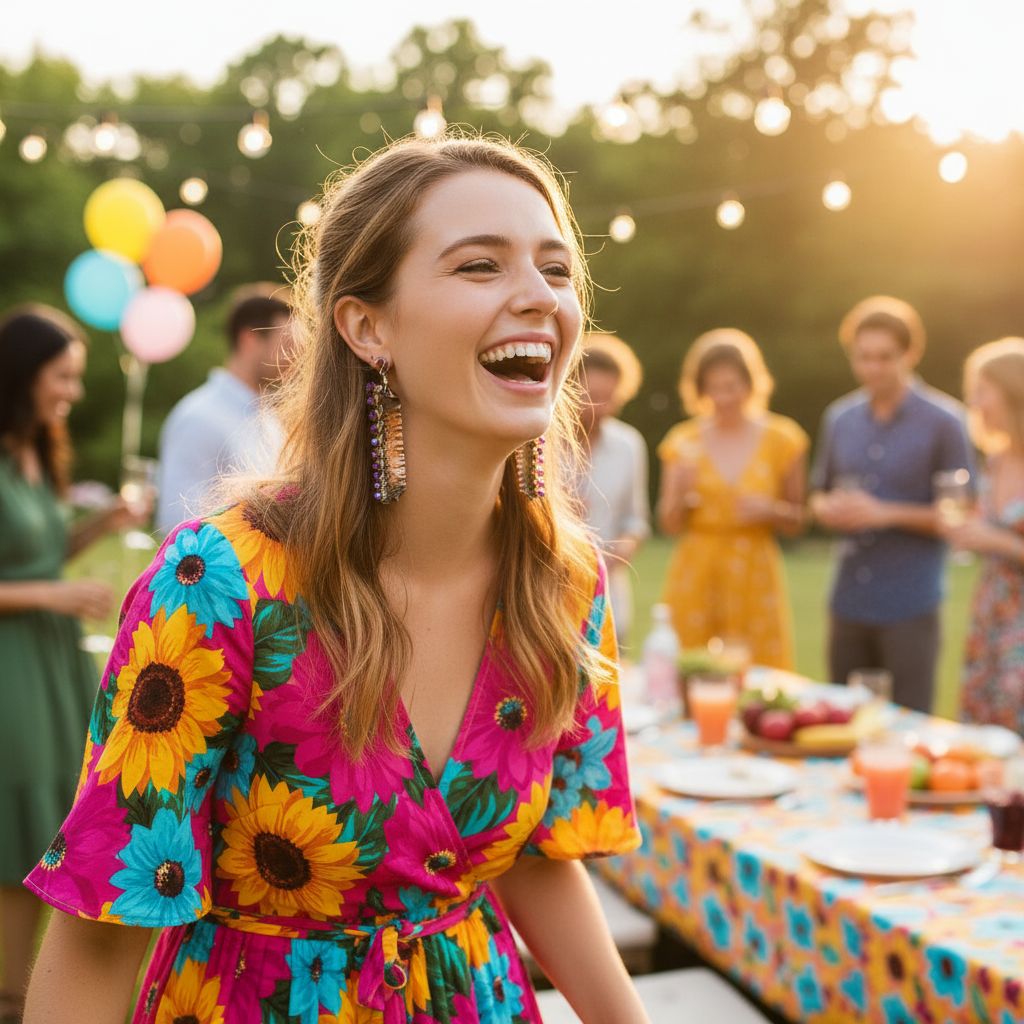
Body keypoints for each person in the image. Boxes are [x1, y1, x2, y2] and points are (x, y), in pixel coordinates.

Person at [24, 135, 649, 1024]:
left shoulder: (567, 581)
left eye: (556, 269)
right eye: (480, 265)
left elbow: (539, 855)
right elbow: (99, 934)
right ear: (367, 327)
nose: (538, 298)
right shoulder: (218, 584)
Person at [0, 305, 146, 1024]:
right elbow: (32, 577)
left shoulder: (37, 451)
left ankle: (32, 992)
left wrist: (103, 527)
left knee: (56, 814)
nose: (72, 392)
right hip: (10, 669)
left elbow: (36, 553)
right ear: (22, 375)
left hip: (52, 666)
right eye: (62, 377)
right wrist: (52, 595)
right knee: (13, 815)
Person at [810, 296, 974, 712]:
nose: (873, 369)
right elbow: (819, 493)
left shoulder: (945, 422)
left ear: (910, 353)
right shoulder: (840, 419)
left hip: (911, 603)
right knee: (842, 721)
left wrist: (886, 513)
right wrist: (828, 509)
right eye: (863, 358)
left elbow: (964, 514)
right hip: (848, 599)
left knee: (908, 724)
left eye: (884, 357)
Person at [656, 328, 808, 669]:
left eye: (732, 387)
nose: (723, 398)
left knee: (759, 672)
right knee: (692, 668)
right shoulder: (682, 441)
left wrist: (771, 510)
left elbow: (798, 522)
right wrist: (680, 495)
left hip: (755, 571)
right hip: (696, 568)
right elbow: (668, 524)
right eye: (713, 388)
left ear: (751, 384)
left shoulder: (783, 439)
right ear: (700, 390)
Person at [155, 283, 292, 533]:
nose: (293, 355)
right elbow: (177, 521)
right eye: (285, 343)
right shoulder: (199, 417)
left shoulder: (271, 421)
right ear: (250, 339)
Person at [942, 337, 1024, 735]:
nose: (974, 404)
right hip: (992, 610)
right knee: (983, 730)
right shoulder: (995, 461)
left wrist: (996, 542)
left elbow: (1002, 538)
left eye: (982, 392)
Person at [574, 333, 650, 650]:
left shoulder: (629, 444)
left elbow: (636, 519)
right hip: (546, 593)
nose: (599, 407)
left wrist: (626, 547)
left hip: (608, 597)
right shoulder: (540, 440)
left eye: (609, 397)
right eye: (592, 395)